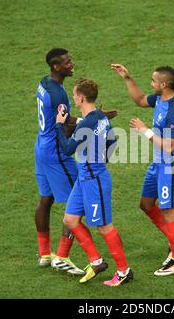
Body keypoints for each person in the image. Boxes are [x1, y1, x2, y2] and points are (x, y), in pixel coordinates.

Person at [111, 64, 174, 276]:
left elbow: (171, 145)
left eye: (154, 80)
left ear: (164, 85)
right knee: (146, 204)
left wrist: (144, 131)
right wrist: (127, 78)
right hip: (158, 163)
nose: (151, 83)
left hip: (171, 165)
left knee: (169, 211)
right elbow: (140, 99)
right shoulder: (160, 99)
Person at [55, 78, 133, 286]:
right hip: (85, 177)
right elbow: (112, 139)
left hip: (95, 180)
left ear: (81, 98)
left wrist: (59, 126)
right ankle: (96, 261)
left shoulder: (90, 122)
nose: (73, 98)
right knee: (70, 220)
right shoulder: (100, 117)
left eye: (74, 95)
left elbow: (68, 148)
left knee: (104, 226)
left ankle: (124, 271)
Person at [34, 48, 84, 275]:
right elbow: (64, 126)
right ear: (56, 67)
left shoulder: (44, 83)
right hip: (56, 152)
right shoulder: (59, 95)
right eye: (67, 62)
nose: (72, 64)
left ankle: (44, 254)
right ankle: (62, 256)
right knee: (80, 197)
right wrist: (92, 121)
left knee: (46, 198)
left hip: (41, 147)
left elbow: (59, 117)